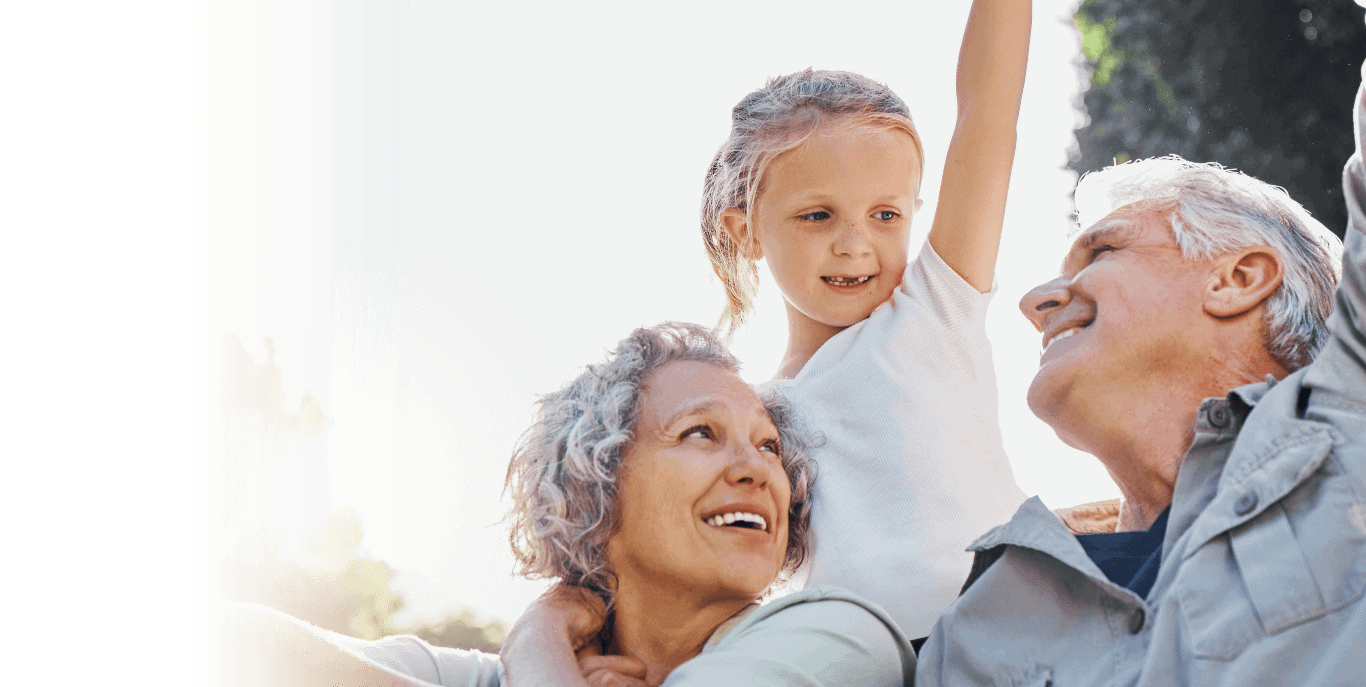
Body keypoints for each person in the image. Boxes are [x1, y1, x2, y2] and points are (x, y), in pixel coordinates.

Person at [914, 56, 1366, 687]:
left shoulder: (1352, 428)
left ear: (1236, 280)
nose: (1035, 300)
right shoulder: (975, 620)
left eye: (1100, 250)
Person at [221, 322, 915, 687]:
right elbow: (227, 640)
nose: (756, 468)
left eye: (769, 447)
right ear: (598, 486)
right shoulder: (497, 675)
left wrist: (534, 640)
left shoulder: (842, 638)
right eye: (701, 432)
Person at [697, 0, 1031, 641]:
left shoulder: (935, 311)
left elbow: (989, 115)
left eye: (886, 215)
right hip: (867, 663)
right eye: (817, 215)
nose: (856, 245)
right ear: (747, 232)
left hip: (1010, 627)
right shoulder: (752, 414)